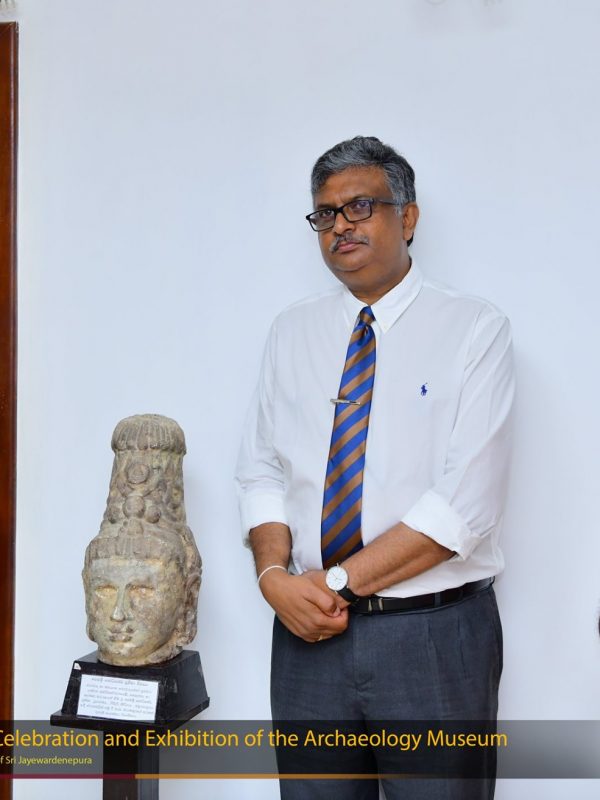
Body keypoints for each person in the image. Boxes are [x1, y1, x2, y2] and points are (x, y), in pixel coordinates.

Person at [235, 136, 514, 799]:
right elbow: (262, 472)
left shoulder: (475, 329)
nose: (341, 226)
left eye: (360, 206)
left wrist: (331, 583)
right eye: (325, 214)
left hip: (432, 637)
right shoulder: (291, 331)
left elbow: (463, 508)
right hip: (306, 639)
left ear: (407, 217)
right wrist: (273, 578)